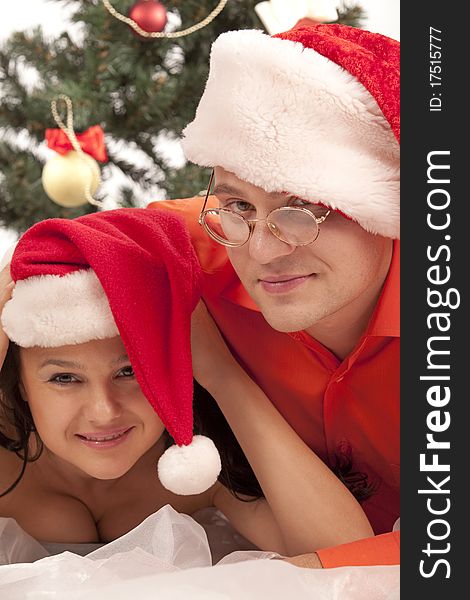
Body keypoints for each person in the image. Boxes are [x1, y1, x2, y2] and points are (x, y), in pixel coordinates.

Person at [151, 22, 400, 568]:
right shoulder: (201, 245)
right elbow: (37, 267)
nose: (261, 253)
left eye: (304, 208)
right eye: (238, 204)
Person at [0, 207, 372, 558]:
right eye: (64, 378)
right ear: (19, 386)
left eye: (130, 371)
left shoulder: (206, 467)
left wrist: (221, 374)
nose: (103, 411)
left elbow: (350, 559)